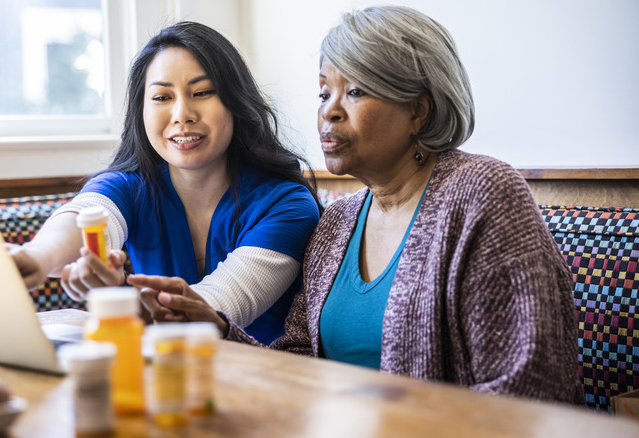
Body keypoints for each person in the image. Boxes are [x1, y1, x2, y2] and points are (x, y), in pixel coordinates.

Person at [129, 6, 583, 404]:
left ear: (418, 110)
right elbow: (299, 366)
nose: (330, 111)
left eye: (357, 91)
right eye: (324, 92)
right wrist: (214, 326)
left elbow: (533, 387)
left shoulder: (483, 193)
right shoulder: (338, 222)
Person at [10, 21, 321, 345]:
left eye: (202, 93)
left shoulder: (288, 205)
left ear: (236, 103)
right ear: (141, 112)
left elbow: (211, 312)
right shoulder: (129, 187)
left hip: (263, 378)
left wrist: (116, 297)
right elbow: (87, 216)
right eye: (161, 97)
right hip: (162, 373)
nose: (182, 114)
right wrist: (35, 258)